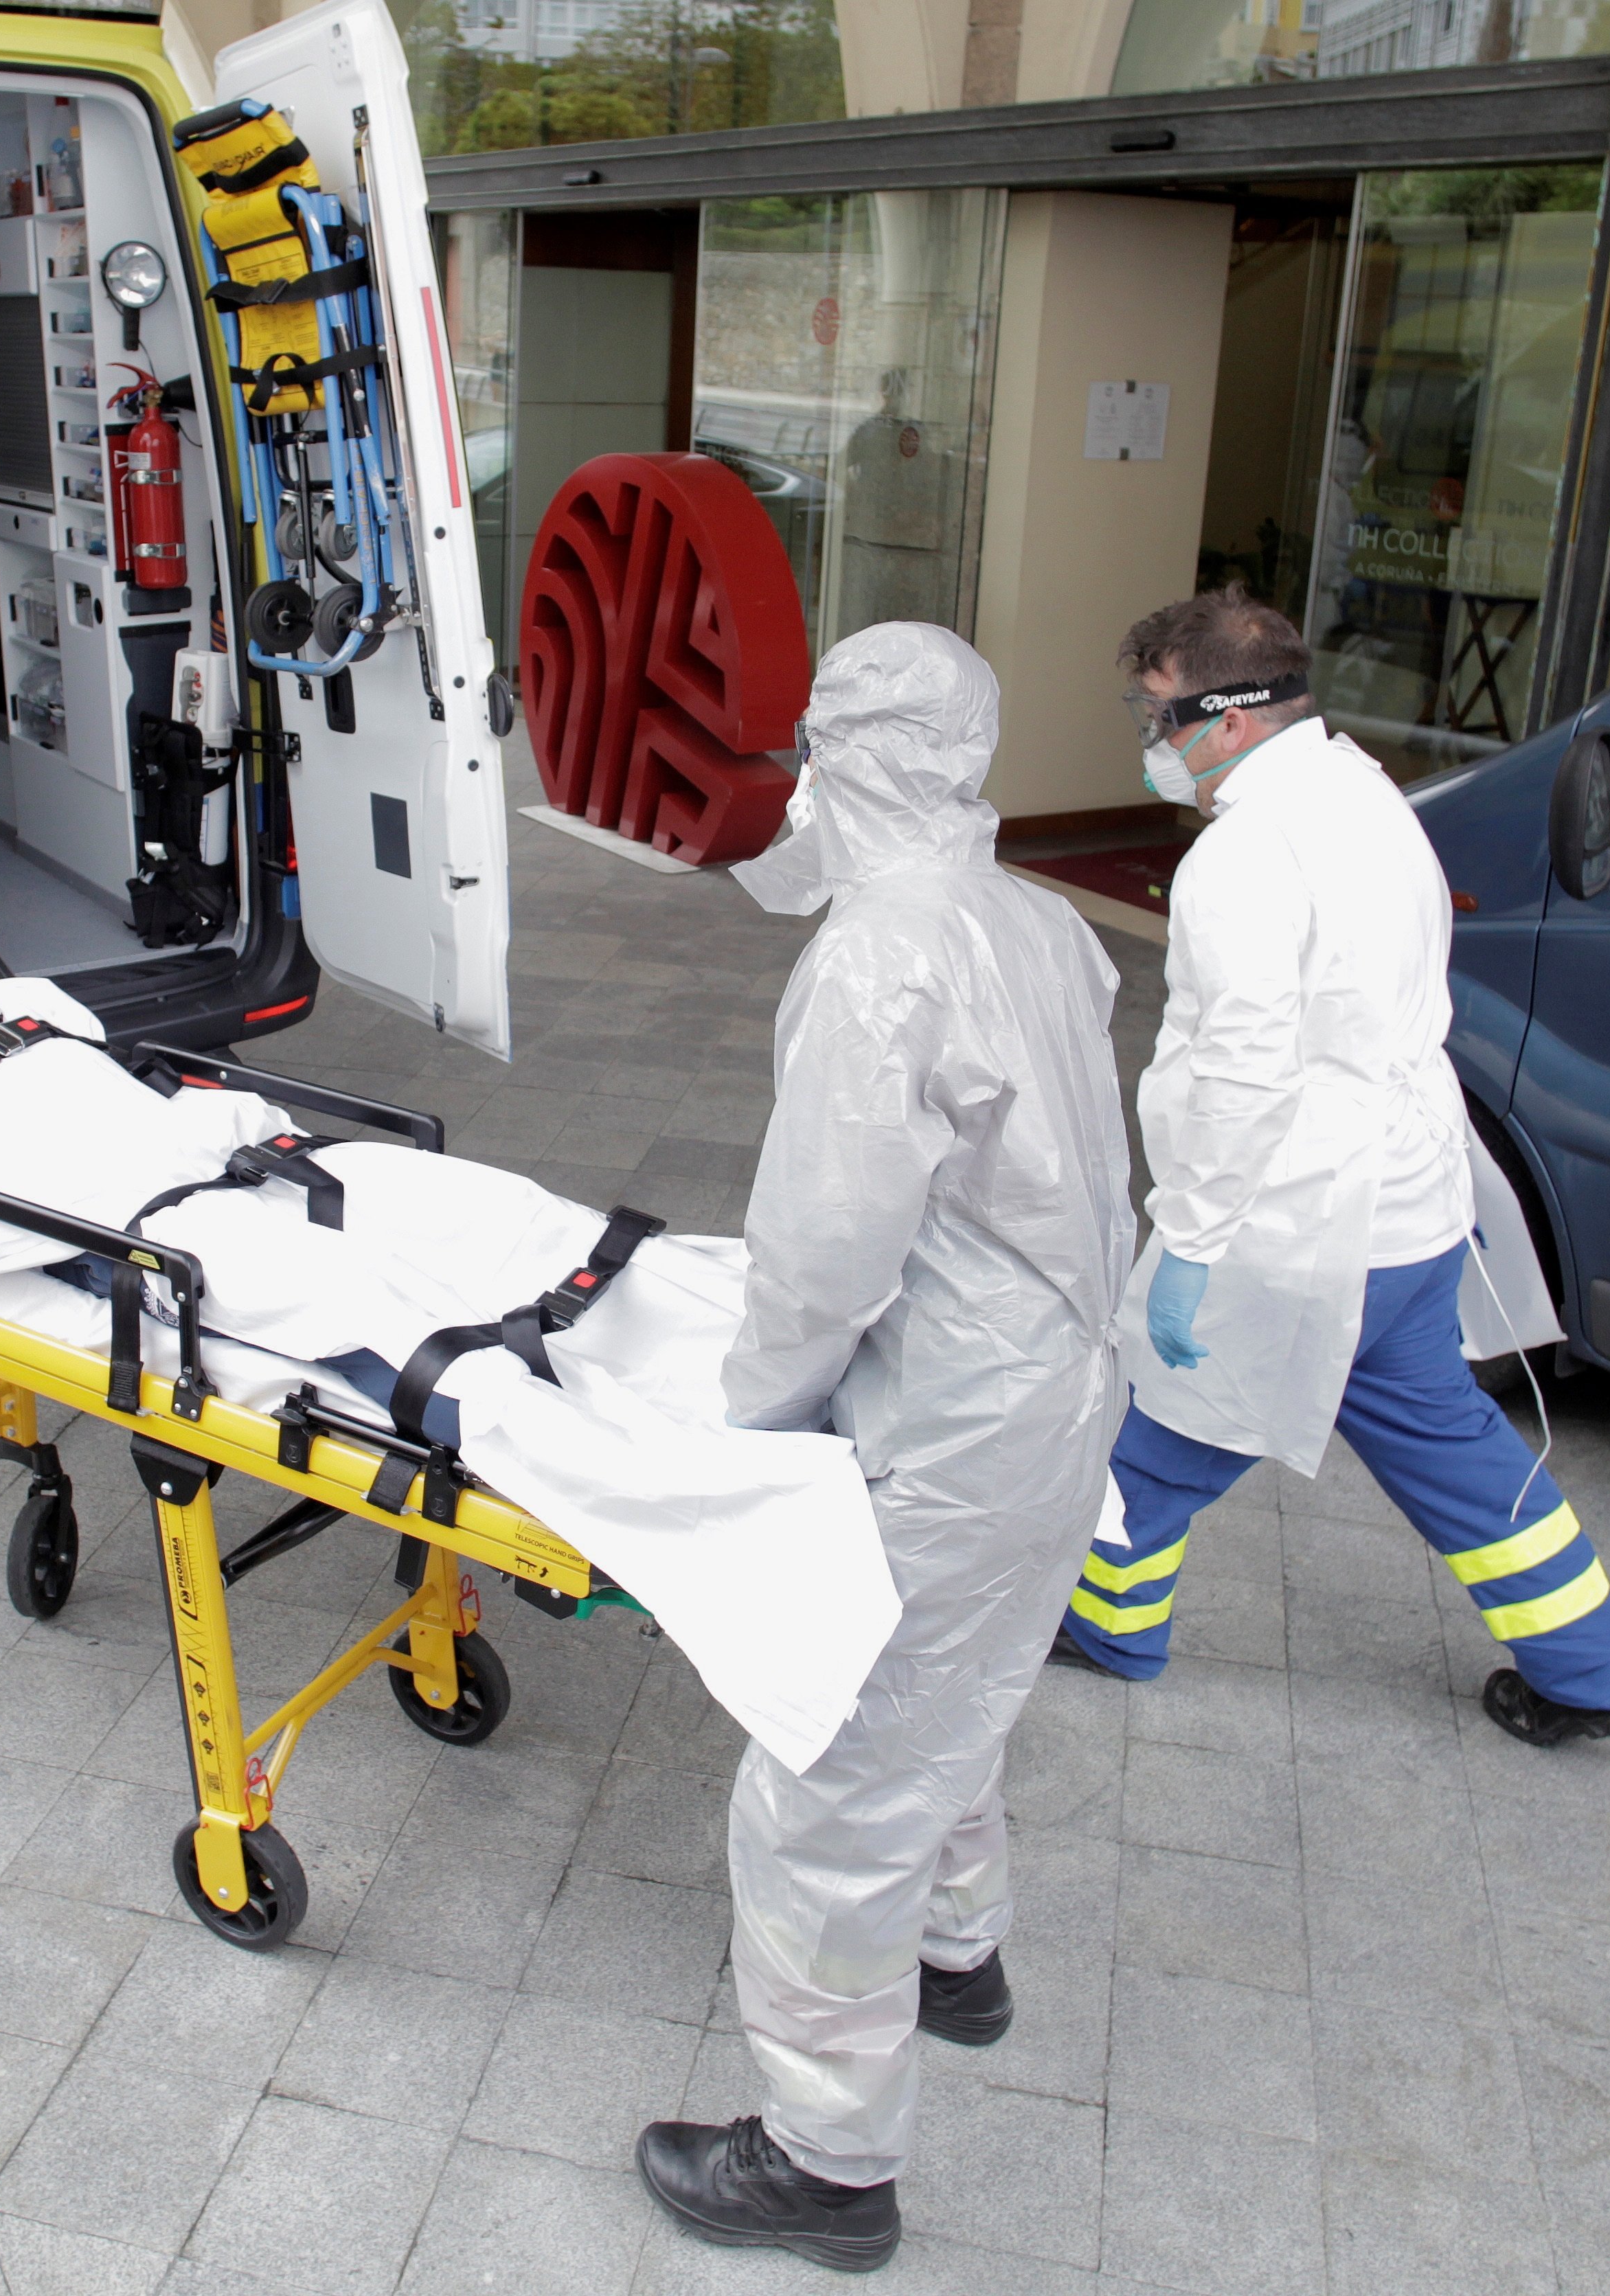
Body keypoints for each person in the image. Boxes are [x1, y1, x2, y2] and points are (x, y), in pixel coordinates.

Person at [635, 624, 1132, 2275]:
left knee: (829, 1786)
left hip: (955, 1419)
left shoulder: (882, 953)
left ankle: (827, 2165)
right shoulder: (1035, 921)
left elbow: (828, 1247)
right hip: (1058, 1396)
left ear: (840, 757)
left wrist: (749, 1433)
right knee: (957, 1692)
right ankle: (961, 1960)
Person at [1049, 591, 1610, 1749]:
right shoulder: (1364, 791)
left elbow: (1240, 1074)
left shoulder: (1244, 858)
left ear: (1228, 718)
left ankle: (1112, 1630)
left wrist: (1192, 1243)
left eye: (1159, 713)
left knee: (1152, 1440)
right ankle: (1592, 1668)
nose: (1149, 739)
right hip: (1408, 1209)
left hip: (1290, 1226)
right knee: (1450, 1442)